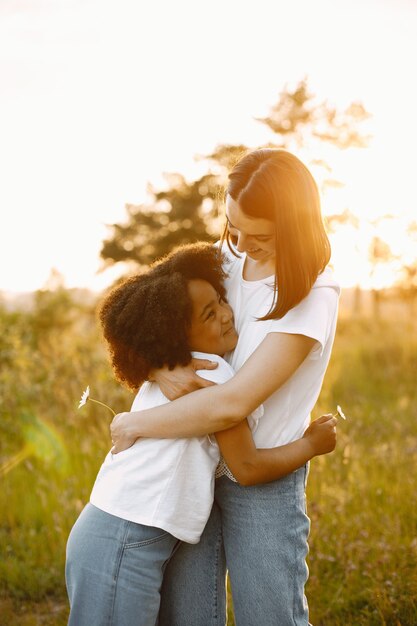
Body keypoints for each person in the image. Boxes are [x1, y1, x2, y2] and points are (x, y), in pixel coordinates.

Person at [109, 148, 341, 625]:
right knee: (189, 617)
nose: (241, 243)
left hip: (262, 477)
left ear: (296, 228)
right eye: (234, 227)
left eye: (261, 236)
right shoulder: (222, 259)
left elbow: (233, 402)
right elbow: (134, 317)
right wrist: (158, 369)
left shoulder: (312, 293)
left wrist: (134, 422)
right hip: (192, 466)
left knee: (269, 617)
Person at [65, 242, 337, 626]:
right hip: (124, 541)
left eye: (221, 303)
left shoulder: (173, 366)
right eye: (209, 315)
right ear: (177, 336)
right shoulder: (213, 377)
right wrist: (310, 444)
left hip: (112, 529)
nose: (227, 316)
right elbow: (247, 466)